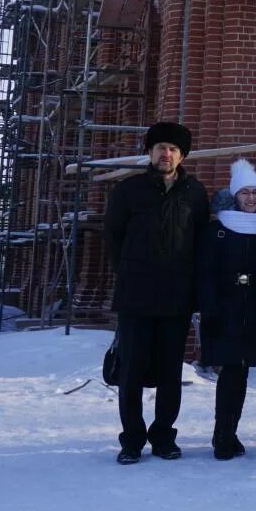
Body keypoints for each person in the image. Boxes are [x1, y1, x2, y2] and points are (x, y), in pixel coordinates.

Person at [105, 119, 210, 464]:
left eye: (173, 149)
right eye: (160, 148)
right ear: (149, 152)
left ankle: (164, 436)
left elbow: (200, 242)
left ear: (182, 156)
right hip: (136, 295)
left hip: (176, 297)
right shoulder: (129, 190)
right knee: (131, 370)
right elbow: (113, 237)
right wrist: (129, 271)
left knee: (170, 372)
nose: (166, 154)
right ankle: (131, 439)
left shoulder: (194, 193)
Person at [197, 159, 256, 460]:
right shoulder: (219, 229)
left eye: (255, 193)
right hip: (225, 309)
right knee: (231, 371)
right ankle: (223, 435)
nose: (251, 199)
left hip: (253, 311)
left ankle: (230, 432)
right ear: (235, 196)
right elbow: (206, 273)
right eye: (244, 193)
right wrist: (211, 311)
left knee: (242, 373)